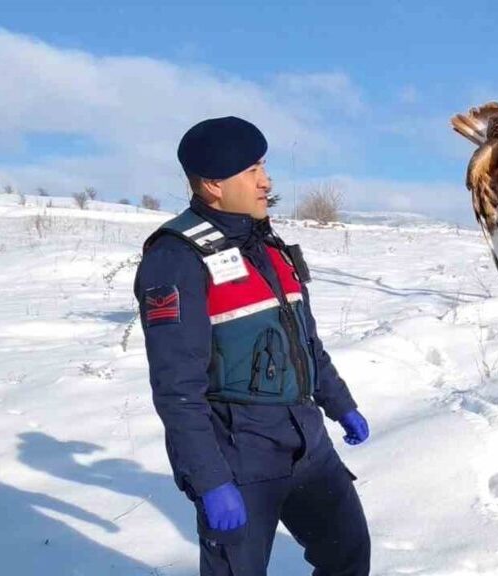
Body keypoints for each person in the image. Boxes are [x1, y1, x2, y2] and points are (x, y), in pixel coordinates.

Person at [134, 116, 371, 575]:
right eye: (252, 171)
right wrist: (211, 480)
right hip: (239, 456)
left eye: (263, 166)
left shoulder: (268, 246)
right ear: (213, 184)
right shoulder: (176, 258)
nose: (266, 181)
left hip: (307, 444)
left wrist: (340, 404)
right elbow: (176, 389)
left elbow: (305, 341)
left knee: (347, 555)